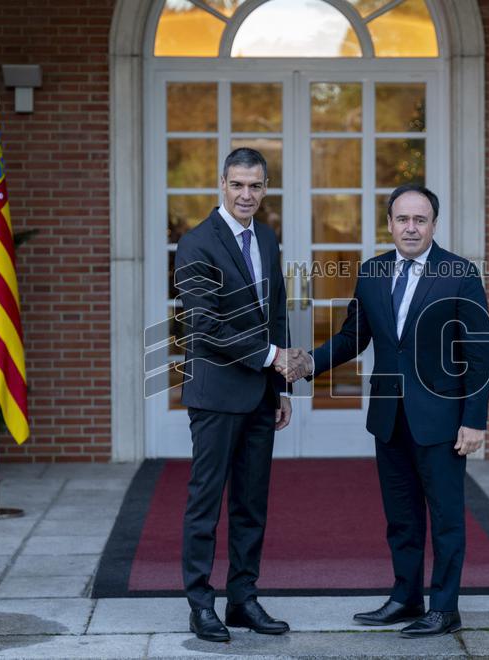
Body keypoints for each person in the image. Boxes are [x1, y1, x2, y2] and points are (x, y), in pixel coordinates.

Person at [279, 184, 489, 637]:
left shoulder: (460, 273)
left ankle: (445, 607)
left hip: (442, 420)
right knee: (402, 517)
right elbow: (354, 337)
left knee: (446, 517)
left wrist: (475, 419)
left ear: (434, 224)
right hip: (389, 417)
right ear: (390, 224)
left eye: (420, 219)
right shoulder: (373, 272)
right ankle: (405, 596)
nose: (410, 227)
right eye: (402, 219)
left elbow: (478, 352)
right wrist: (308, 363)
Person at [174, 147, 310, 642]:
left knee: (252, 504)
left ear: (266, 188)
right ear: (222, 185)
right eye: (237, 185)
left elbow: (275, 314)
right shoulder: (196, 245)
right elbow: (204, 325)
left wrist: (282, 386)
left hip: (259, 394)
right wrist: (271, 357)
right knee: (205, 503)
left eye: (255, 186)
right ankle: (200, 604)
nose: (246, 194)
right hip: (215, 395)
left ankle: (243, 600)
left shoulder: (267, 238)